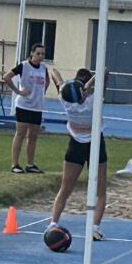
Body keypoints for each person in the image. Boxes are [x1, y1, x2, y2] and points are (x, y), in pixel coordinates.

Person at [49, 68, 109, 242]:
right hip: (95, 145)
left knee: (65, 189)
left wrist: (63, 85)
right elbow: (104, 72)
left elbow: (54, 72)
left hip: (75, 145)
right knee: (101, 192)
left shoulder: (65, 100)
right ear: (85, 88)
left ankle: (53, 223)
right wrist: (88, 85)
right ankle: (94, 228)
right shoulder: (94, 101)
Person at [4, 42, 56, 173]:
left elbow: (47, 81)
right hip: (24, 105)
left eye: (43, 54)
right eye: (38, 53)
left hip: (37, 106)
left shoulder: (43, 68)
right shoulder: (24, 66)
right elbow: (7, 77)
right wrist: (17, 91)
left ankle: (30, 164)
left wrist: (42, 92)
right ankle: (15, 164)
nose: (40, 56)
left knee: (33, 136)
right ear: (32, 53)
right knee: (20, 134)